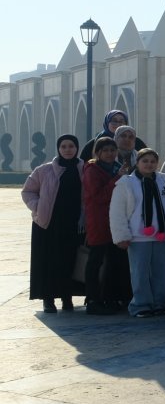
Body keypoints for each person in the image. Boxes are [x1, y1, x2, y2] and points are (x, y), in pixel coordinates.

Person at [109, 148, 165, 317]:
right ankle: (141, 304)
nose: (149, 164)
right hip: (138, 236)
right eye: (145, 161)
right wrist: (121, 235)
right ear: (137, 163)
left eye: (153, 161)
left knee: (161, 271)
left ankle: (161, 302)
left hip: (162, 235)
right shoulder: (127, 183)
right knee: (140, 272)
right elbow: (117, 211)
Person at [24, 134, 85, 314]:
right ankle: (48, 299)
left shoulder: (84, 169)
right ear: (58, 148)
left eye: (71, 146)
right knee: (48, 262)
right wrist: (38, 207)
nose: (67, 150)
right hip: (48, 224)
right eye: (64, 146)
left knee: (69, 261)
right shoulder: (44, 170)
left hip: (74, 223)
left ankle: (67, 298)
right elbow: (28, 192)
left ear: (77, 148)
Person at [82, 138, 130, 315]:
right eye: (105, 150)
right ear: (98, 152)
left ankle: (110, 297)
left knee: (114, 261)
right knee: (96, 260)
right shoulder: (92, 170)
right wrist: (117, 179)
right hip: (99, 221)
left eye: (112, 150)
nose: (109, 154)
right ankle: (93, 299)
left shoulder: (117, 168)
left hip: (115, 221)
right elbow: (98, 196)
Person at [81, 109, 147, 161]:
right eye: (114, 121)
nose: (118, 124)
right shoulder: (95, 142)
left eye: (121, 121)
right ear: (107, 123)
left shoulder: (135, 141)